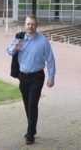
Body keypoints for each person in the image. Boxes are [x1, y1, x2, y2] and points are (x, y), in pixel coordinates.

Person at [7, 15, 56, 145]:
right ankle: (32, 128)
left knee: (32, 104)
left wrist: (51, 77)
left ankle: (30, 134)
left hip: (37, 77)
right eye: (28, 24)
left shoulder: (43, 41)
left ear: (36, 26)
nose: (30, 26)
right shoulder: (19, 38)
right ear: (25, 25)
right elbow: (9, 51)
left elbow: (50, 60)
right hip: (23, 76)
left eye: (33, 24)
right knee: (26, 104)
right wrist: (15, 48)